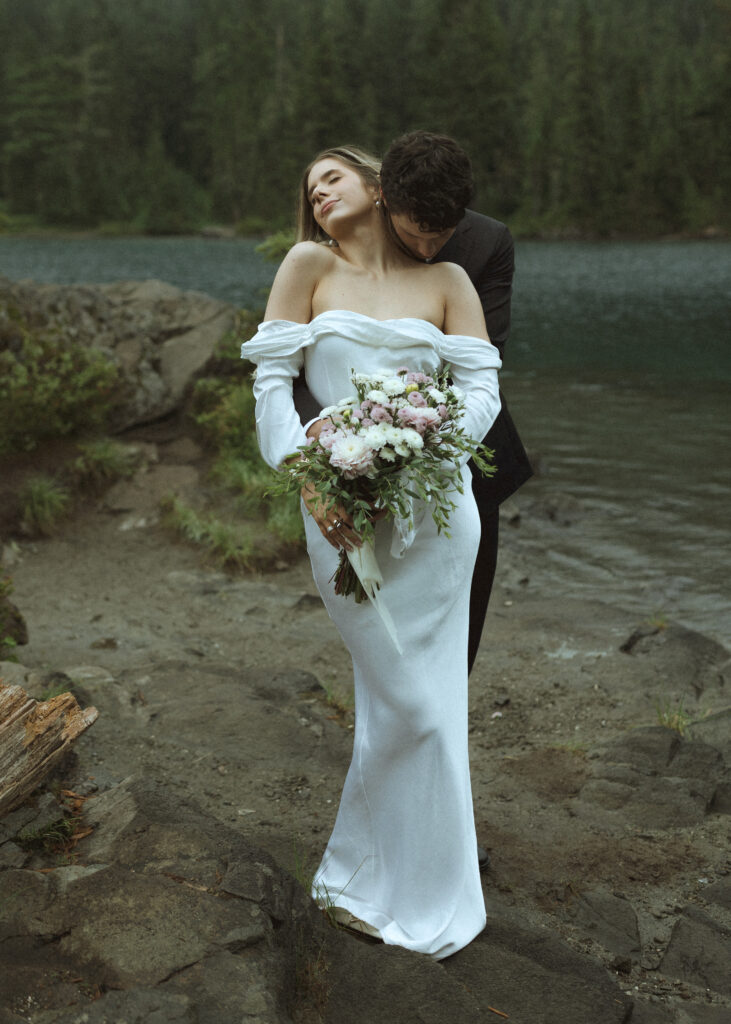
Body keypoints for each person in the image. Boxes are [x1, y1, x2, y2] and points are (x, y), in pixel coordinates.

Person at [241, 146, 502, 959]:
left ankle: (390, 880)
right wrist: (305, 477)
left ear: (375, 183)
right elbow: (271, 386)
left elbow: (482, 389)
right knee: (403, 701)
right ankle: (378, 874)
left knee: (428, 704)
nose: (317, 193)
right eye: (308, 186)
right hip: (341, 507)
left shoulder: (449, 283)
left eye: (331, 176)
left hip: (438, 511)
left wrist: (431, 446)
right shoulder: (305, 265)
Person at [295, 131, 532, 675]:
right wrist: (334, 442)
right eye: (414, 234)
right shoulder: (334, 260)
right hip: (349, 448)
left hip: (469, 454)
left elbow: (480, 360)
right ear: (385, 201)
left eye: (441, 235)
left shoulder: (488, 243)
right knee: (377, 627)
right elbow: (297, 367)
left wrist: (411, 455)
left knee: (459, 631)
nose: (428, 248)